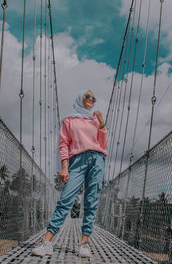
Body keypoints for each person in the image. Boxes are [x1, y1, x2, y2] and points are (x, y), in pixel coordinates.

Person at [32, 89, 109, 258]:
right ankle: (47, 242)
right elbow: (64, 144)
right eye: (87, 96)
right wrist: (65, 167)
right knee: (65, 200)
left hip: (98, 160)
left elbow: (103, 144)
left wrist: (102, 123)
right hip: (77, 161)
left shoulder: (96, 120)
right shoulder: (69, 120)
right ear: (79, 98)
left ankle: (84, 243)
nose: (91, 99)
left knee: (91, 202)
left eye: (93, 97)